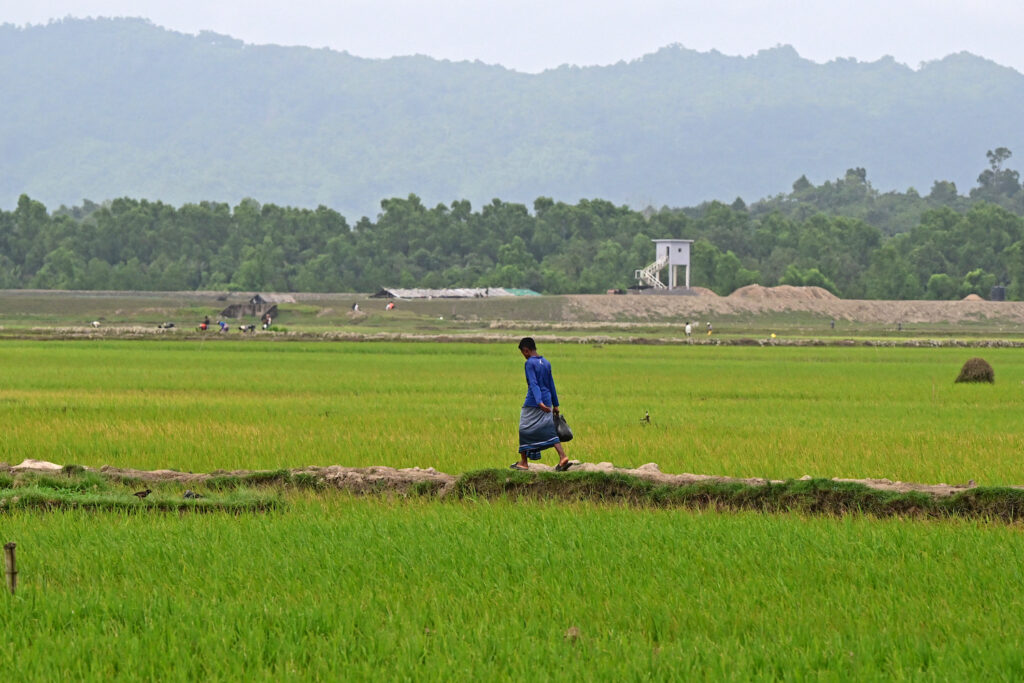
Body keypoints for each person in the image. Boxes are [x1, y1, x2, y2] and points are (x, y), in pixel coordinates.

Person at [512, 337, 571, 471]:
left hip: (533, 401)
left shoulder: (530, 364)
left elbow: (533, 384)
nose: (523, 356)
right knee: (548, 429)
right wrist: (555, 404)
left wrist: (539, 402)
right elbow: (551, 384)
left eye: (522, 353)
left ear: (526, 350)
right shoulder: (546, 362)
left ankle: (524, 462)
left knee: (524, 427)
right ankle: (562, 456)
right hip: (548, 400)